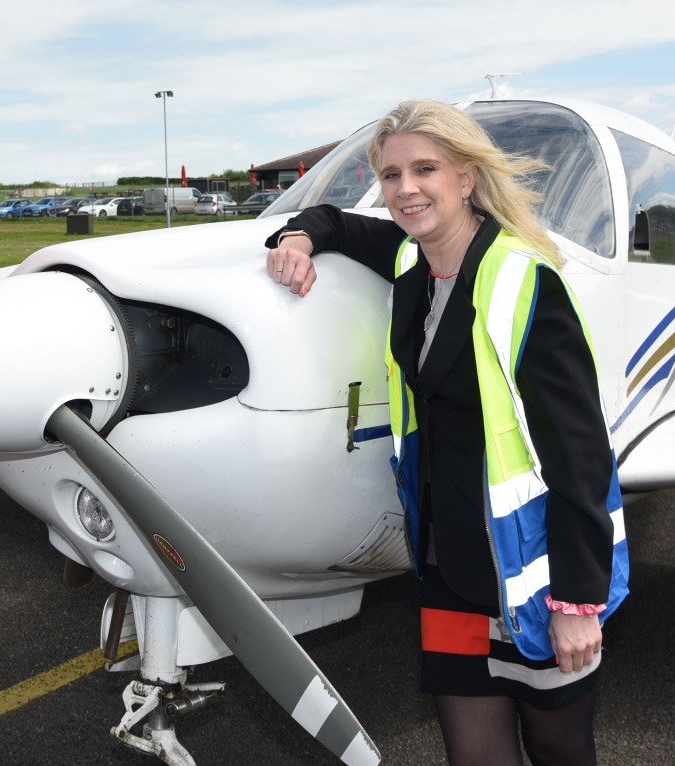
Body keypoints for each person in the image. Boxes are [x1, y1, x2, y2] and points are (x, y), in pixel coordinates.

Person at [265, 100, 628, 765]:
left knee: (557, 745)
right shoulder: (409, 261)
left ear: (466, 179)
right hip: (446, 562)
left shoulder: (523, 281)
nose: (405, 189)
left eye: (425, 169)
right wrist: (293, 240)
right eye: (391, 173)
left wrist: (578, 600)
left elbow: (580, 456)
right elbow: (332, 220)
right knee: (475, 755)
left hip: (528, 568)